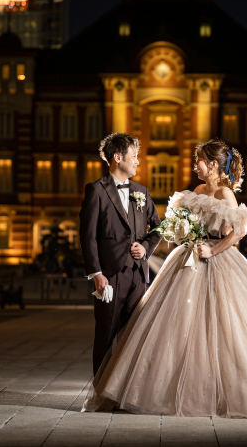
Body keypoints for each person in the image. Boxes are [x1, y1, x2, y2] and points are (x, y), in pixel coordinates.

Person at [83, 138, 247, 418]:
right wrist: (181, 233)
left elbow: (236, 233)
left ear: (212, 164)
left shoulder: (226, 194)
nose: (193, 165)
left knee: (222, 326)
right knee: (172, 325)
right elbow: (170, 224)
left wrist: (212, 249)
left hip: (218, 260)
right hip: (187, 259)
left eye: (198, 160)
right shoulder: (197, 190)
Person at [79, 133, 163, 374]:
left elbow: (158, 228)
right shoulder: (96, 190)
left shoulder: (142, 192)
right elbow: (88, 237)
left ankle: (124, 392)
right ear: (118, 157)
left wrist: (146, 247)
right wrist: (96, 273)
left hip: (138, 276)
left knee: (134, 336)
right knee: (106, 334)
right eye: (134, 156)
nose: (138, 161)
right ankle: (101, 393)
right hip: (110, 275)